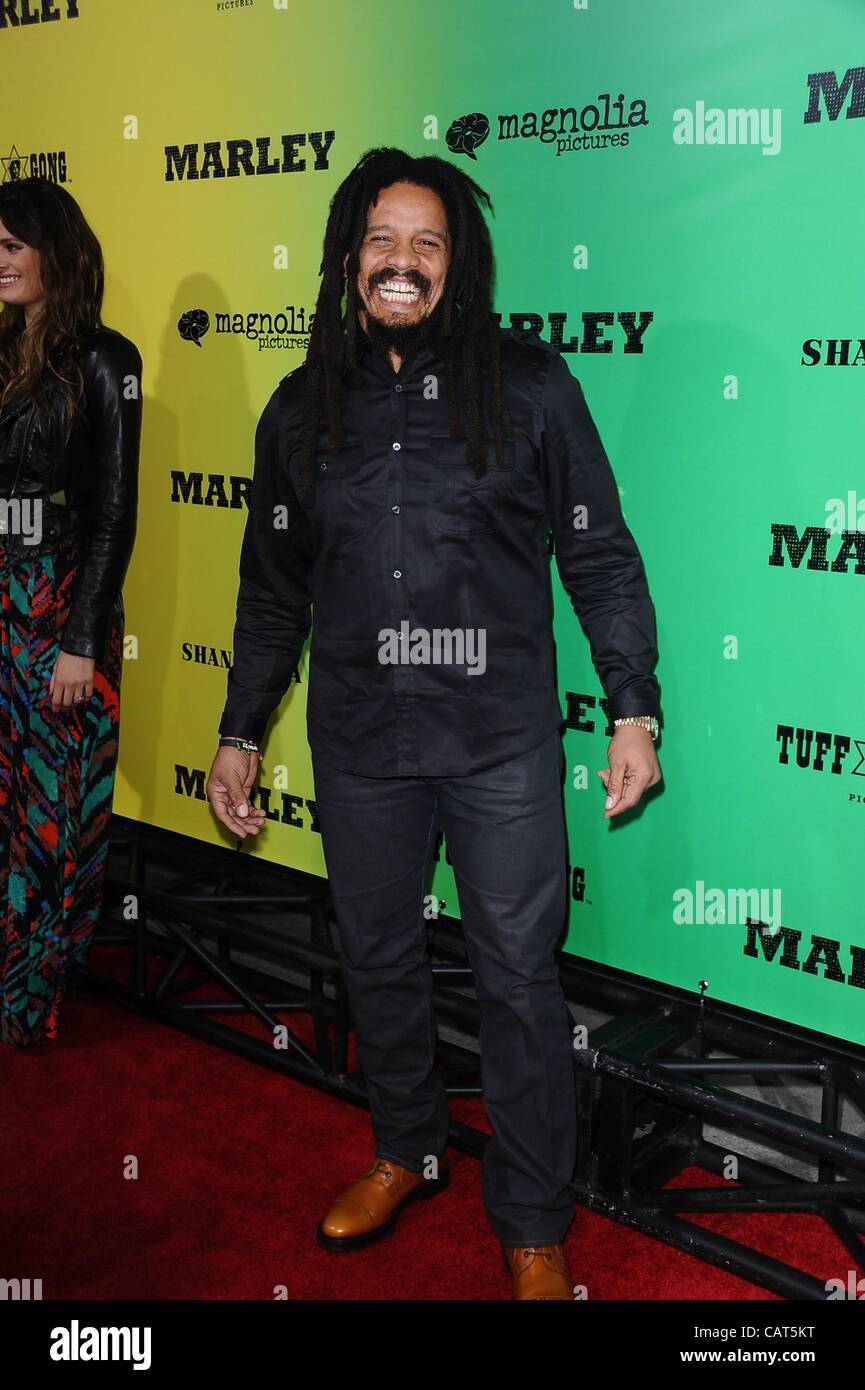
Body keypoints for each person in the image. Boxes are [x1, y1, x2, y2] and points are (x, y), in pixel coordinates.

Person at [207, 147, 662, 1299]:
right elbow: (270, 592)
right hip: (362, 742)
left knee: (517, 980)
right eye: (380, 239)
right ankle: (404, 1148)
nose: (401, 261)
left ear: (458, 266)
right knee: (377, 957)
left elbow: (598, 556)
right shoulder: (298, 408)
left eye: (427, 242)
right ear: (346, 258)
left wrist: (632, 707)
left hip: (500, 743)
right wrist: (242, 730)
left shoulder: (533, 388)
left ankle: (531, 1220)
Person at [0, 177, 142, 1048]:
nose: (1, 261)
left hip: (61, 609)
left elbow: (115, 511)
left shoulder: (104, 358)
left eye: (14, 244)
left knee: (53, 813)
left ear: (58, 251)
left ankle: (33, 994)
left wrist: (82, 640)